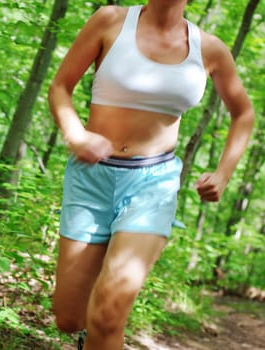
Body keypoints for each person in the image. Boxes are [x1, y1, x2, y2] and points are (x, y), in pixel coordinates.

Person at [47, 1, 254, 349]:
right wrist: (76, 134)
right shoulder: (110, 21)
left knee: (108, 313)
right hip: (91, 179)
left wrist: (223, 173)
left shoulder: (209, 48)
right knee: (69, 317)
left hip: (152, 184)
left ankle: (101, 331)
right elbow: (60, 87)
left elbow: (243, 113)